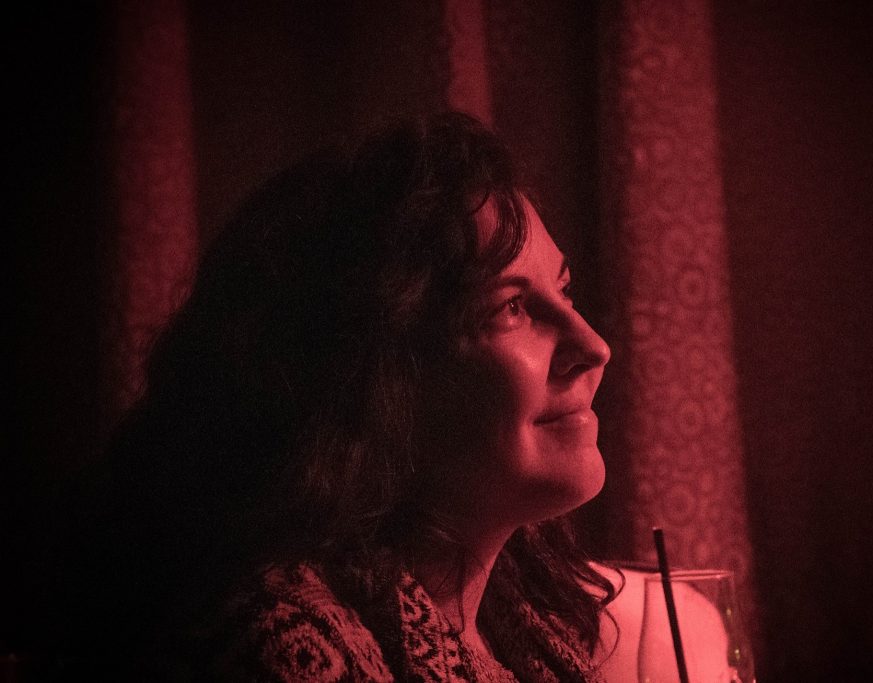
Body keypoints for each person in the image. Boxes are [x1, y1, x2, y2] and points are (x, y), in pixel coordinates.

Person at [55, 111, 627, 681]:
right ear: (377, 376)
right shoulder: (290, 651)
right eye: (511, 307)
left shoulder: (522, 623)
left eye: (565, 291)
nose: (594, 347)